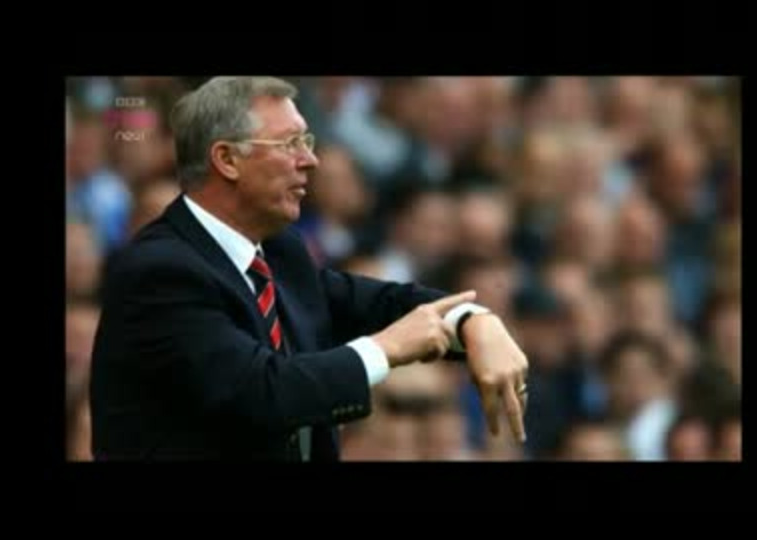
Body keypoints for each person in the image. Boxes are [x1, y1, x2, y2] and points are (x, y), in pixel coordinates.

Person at [89, 76, 529, 461]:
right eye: (290, 144)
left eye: (307, 142)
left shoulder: (278, 251)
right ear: (227, 160)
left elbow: (378, 303)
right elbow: (263, 393)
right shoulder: (161, 271)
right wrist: (387, 348)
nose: (309, 160)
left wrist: (473, 320)